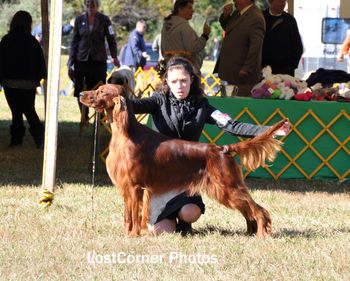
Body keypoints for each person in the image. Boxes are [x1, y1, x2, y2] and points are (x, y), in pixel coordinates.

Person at [129, 56, 289, 235]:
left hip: (189, 174)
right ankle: (167, 220)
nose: (179, 86)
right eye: (174, 81)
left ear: (192, 80)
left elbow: (232, 125)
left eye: (183, 80)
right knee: (160, 232)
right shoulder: (158, 101)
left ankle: (255, 219)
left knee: (191, 213)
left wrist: (270, 130)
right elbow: (133, 106)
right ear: (167, 81)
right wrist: (113, 96)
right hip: (161, 177)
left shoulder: (201, 106)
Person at [0, 10, 47, 149]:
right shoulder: (32, 42)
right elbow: (39, 62)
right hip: (29, 84)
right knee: (29, 110)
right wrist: (39, 77)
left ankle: (16, 140)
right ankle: (40, 139)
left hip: (10, 83)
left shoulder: (6, 40)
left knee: (16, 112)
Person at [68, 0, 119, 123]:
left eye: (93, 4)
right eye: (88, 4)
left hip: (98, 60)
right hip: (82, 59)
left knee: (100, 87)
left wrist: (114, 56)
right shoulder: (79, 20)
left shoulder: (105, 20)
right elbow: (74, 41)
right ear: (85, 5)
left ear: (97, 6)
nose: (90, 7)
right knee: (80, 87)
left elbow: (111, 38)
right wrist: (71, 60)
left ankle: (101, 117)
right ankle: (83, 116)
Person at [214, 0, 265, 96]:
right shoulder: (237, 13)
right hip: (231, 71)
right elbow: (229, 28)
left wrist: (246, 68)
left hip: (242, 75)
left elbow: (256, 46)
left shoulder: (255, 17)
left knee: (239, 105)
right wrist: (226, 16)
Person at [161, 0, 211, 74]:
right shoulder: (183, 26)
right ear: (180, 9)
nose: (192, 11)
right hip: (185, 69)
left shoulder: (166, 25)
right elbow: (192, 48)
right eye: (189, 7)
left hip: (169, 67)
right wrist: (205, 35)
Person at [262, 0, 303, 76]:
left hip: (286, 71)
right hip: (264, 69)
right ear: (271, 2)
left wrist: (292, 66)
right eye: (279, 1)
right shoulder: (262, 18)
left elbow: (298, 46)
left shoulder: (290, 20)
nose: (282, 4)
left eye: (284, 2)